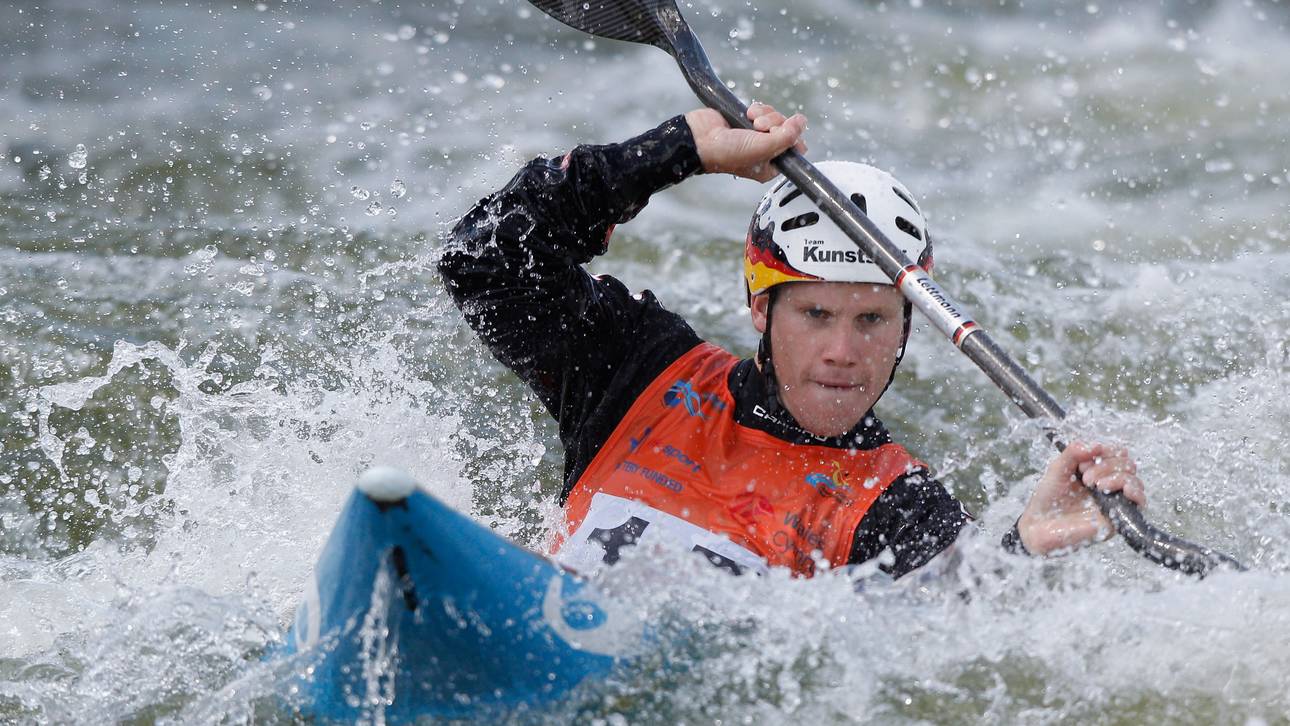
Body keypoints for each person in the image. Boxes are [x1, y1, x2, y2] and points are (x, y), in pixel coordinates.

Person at [439, 103, 1146, 579]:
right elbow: (481, 260)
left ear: (906, 325)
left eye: (871, 320)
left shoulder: (895, 504)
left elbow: (950, 625)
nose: (843, 352)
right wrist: (674, 151)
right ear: (759, 305)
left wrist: (1024, 549)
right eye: (814, 315)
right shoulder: (638, 370)